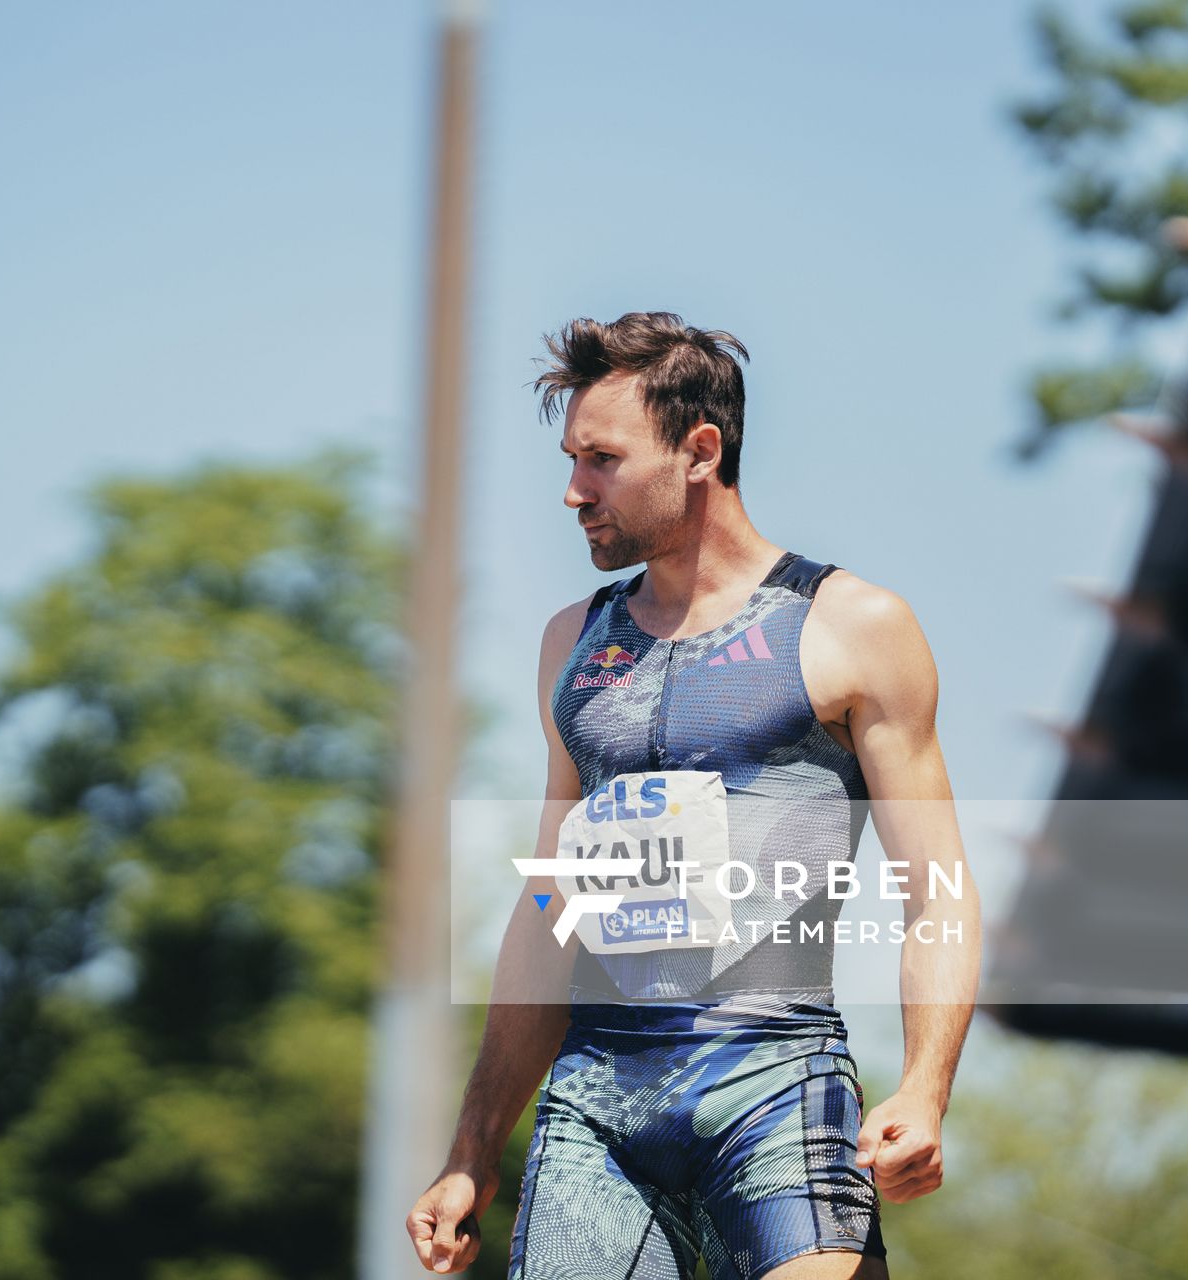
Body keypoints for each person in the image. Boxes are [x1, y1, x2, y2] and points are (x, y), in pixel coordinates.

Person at [405, 312, 981, 1279]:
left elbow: (941, 895)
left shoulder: (851, 626)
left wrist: (926, 1089)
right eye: (571, 458)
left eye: (602, 459)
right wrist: (470, 1150)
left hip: (773, 1085)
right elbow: (551, 908)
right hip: (600, 1109)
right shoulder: (571, 644)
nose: (573, 489)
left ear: (699, 450)